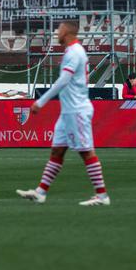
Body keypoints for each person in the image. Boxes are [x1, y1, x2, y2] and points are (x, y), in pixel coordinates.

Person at [16, 19, 110, 207]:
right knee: (57, 150)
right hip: (68, 112)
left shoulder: (74, 52)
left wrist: (41, 101)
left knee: (86, 152)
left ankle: (102, 196)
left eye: (59, 29)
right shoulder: (72, 51)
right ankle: (41, 192)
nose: (56, 33)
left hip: (77, 110)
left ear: (67, 31)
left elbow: (63, 80)